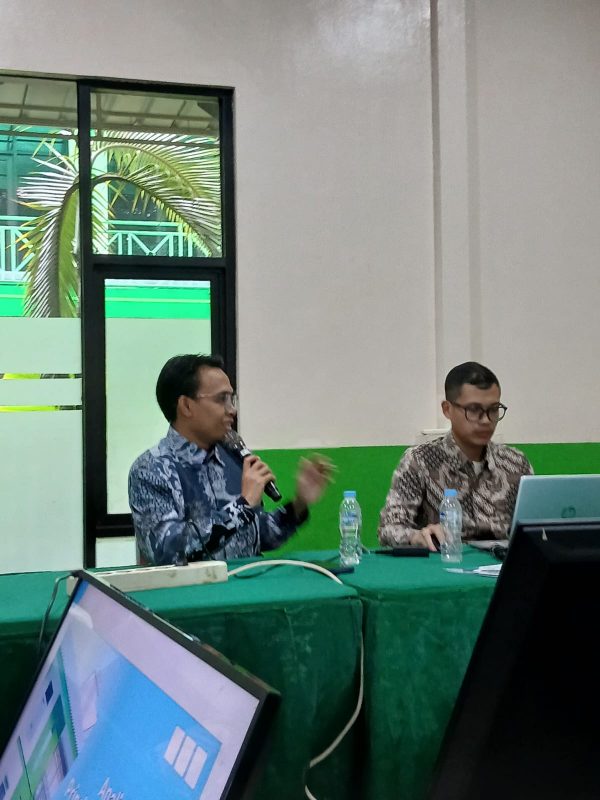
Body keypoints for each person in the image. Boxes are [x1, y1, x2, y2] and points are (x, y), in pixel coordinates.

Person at [129, 354, 334, 565]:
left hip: (247, 583)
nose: (232, 410)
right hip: (193, 587)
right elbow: (167, 551)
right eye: (221, 399)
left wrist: (298, 505)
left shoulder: (233, 458)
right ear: (186, 406)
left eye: (232, 399)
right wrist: (242, 506)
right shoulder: (151, 470)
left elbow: (256, 537)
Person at [378, 361, 533, 551]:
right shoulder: (420, 461)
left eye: (493, 409)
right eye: (474, 410)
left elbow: (537, 529)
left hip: (503, 563)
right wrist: (415, 536)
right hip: (447, 562)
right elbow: (388, 529)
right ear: (447, 409)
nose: (486, 420)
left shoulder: (515, 463)